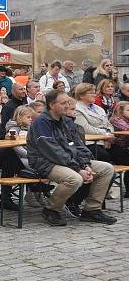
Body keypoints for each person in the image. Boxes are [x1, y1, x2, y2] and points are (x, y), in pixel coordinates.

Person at [27, 90, 116, 226]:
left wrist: (85, 164)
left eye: (68, 102)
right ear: (51, 105)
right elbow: (53, 151)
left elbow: (79, 145)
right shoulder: (41, 122)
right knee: (74, 178)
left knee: (106, 168)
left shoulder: (66, 121)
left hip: (68, 161)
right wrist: (77, 168)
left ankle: (91, 210)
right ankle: (51, 209)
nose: (68, 106)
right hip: (45, 162)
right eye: (63, 103)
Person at [73, 82, 114, 162]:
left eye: (94, 92)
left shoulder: (99, 109)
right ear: (81, 96)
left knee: (121, 150)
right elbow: (85, 129)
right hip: (90, 143)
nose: (94, 95)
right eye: (91, 93)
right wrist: (105, 134)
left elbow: (109, 124)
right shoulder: (77, 109)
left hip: (105, 140)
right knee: (104, 156)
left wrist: (108, 135)